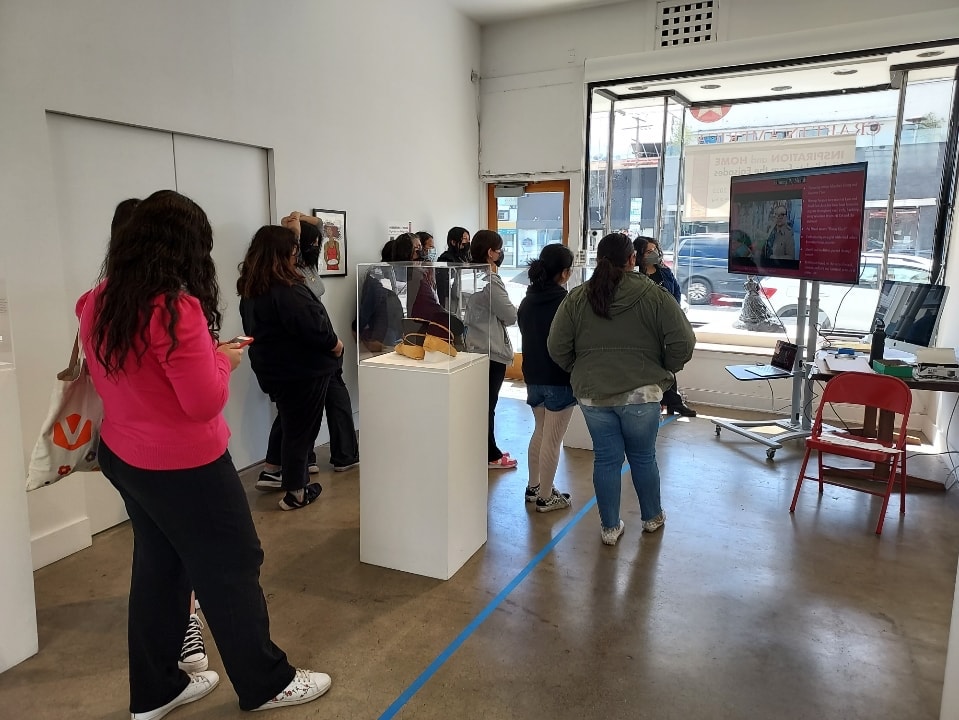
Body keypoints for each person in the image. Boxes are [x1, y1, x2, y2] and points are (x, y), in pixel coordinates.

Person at [80, 190, 330, 717]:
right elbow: (202, 402)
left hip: (125, 456)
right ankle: (266, 682)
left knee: (159, 568)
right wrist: (223, 361)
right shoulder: (175, 308)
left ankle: (155, 690)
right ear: (185, 247)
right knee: (233, 566)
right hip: (184, 464)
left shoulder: (97, 298)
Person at [548, 233, 695, 546]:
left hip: (593, 394)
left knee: (606, 460)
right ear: (633, 259)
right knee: (643, 457)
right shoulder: (653, 293)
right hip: (642, 392)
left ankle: (610, 528)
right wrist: (664, 368)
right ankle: (652, 517)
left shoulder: (577, 296)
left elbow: (556, 345)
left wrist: (579, 369)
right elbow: (684, 341)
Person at [238, 224, 344, 510]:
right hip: (303, 371)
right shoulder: (286, 289)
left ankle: (275, 472)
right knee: (300, 432)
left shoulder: (252, 287)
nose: (297, 254)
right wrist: (335, 344)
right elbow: (313, 328)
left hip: (276, 370)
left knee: (289, 424)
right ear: (282, 252)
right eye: (294, 249)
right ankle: (296, 492)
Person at [270, 212, 359, 474]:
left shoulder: (308, 266)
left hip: (321, 335)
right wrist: (294, 230)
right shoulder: (289, 267)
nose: (316, 247)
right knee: (304, 404)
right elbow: (292, 245)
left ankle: (339, 455)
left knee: (323, 400)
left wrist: (303, 217)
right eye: (312, 243)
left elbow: (319, 225)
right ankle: (299, 462)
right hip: (311, 341)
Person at [518, 243, 575, 511]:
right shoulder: (566, 303)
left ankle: (534, 486)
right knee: (553, 438)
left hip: (533, 376)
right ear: (564, 273)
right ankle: (545, 497)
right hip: (559, 378)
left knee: (541, 431)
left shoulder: (528, 300)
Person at [465, 230, 519, 469]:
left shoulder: (466, 274)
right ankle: (490, 454)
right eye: (499, 249)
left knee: (479, 404)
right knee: (488, 406)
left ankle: (481, 450)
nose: (501, 253)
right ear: (490, 253)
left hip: (472, 346)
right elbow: (510, 315)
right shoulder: (490, 280)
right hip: (490, 350)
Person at [634, 236, 697, 417]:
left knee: (668, 365)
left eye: (655, 250)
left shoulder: (664, 272)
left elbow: (675, 292)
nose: (654, 254)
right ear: (638, 255)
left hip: (665, 326)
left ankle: (673, 402)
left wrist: (672, 315)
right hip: (644, 329)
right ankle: (660, 401)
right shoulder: (635, 275)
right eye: (648, 251)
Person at [437, 226, 471, 311]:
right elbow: (444, 284)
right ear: (453, 242)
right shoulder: (446, 258)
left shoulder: (465, 257)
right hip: (449, 299)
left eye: (468, 239)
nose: (467, 242)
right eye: (464, 239)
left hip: (460, 297)